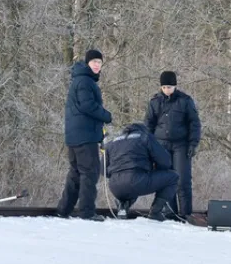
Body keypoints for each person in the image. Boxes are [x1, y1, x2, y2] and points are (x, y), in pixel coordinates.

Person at [56, 49, 113, 221]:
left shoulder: (80, 79)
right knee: (90, 172)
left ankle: (64, 209)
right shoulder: (85, 82)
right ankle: (87, 212)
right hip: (84, 136)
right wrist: (106, 115)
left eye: (99, 62)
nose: (97, 65)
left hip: (76, 136)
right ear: (87, 63)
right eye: (94, 62)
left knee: (76, 173)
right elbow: (87, 106)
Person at [144, 70, 202, 219]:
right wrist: (148, 146)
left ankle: (185, 213)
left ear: (175, 86)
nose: (166, 90)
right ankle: (170, 212)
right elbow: (149, 124)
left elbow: (194, 123)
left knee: (182, 180)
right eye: (164, 87)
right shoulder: (155, 101)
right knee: (165, 179)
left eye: (169, 87)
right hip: (160, 145)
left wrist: (193, 144)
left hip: (180, 145)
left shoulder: (185, 100)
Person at [105, 122, 179, 221]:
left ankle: (123, 206)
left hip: (114, 186)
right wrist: (154, 168)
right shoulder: (145, 137)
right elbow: (165, 161)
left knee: (129, 183)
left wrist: (116, 174)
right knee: (173, 177)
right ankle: (155, 212)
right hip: (137, 181)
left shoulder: (112, 142)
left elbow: (103, 169)